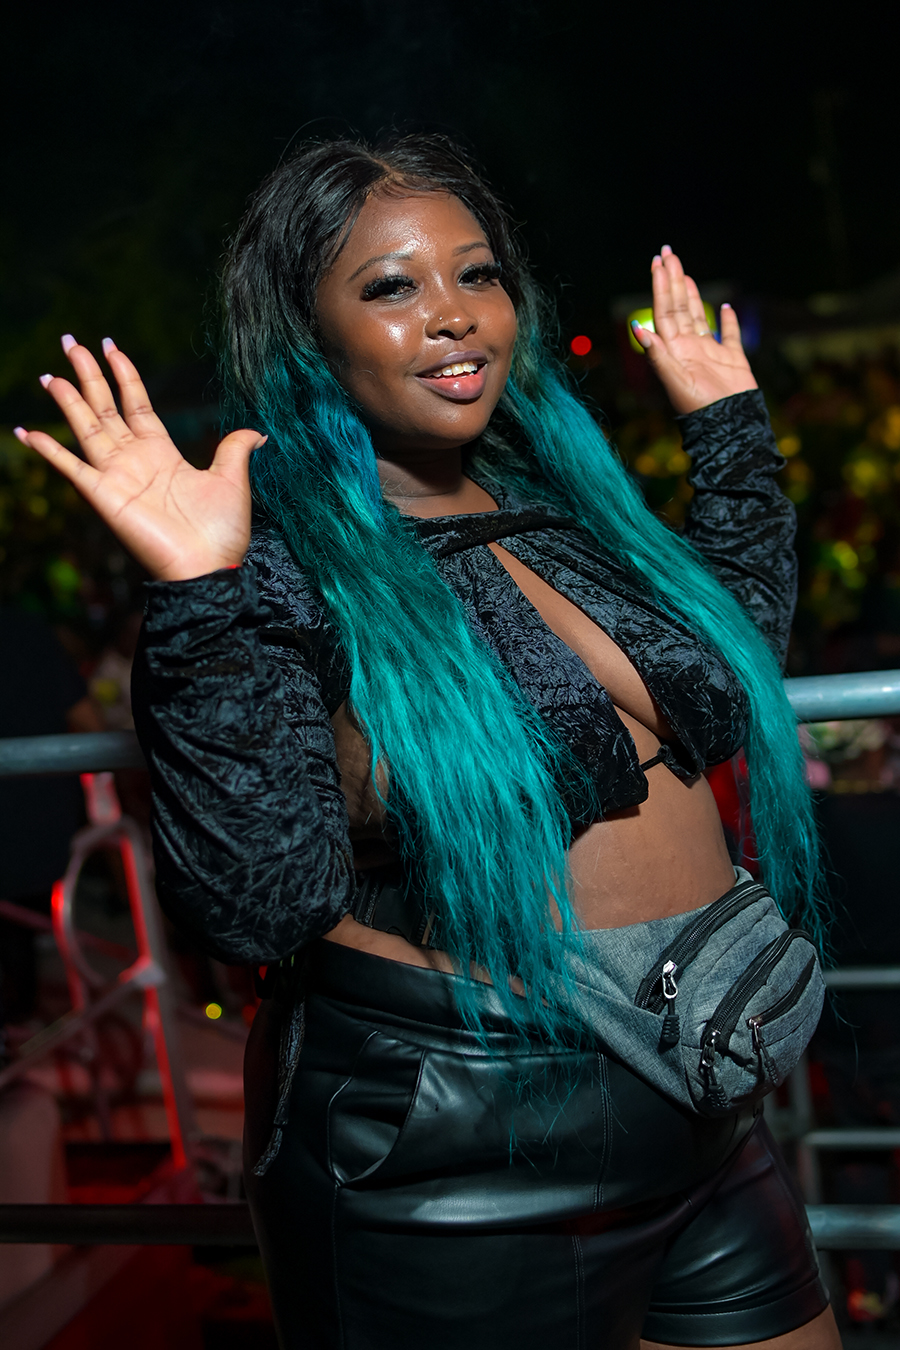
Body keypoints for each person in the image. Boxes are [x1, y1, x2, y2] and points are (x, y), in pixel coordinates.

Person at [15, 137, 839, 1350]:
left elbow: (726, 673)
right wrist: (198, 595)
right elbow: (259, 900)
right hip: (458, 1149)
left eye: (478, 274)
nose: (455, 315)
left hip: (706, 1116)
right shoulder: (284, 566)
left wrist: (727, 430)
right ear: (309, 336)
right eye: (392, 286)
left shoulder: (567, 513)